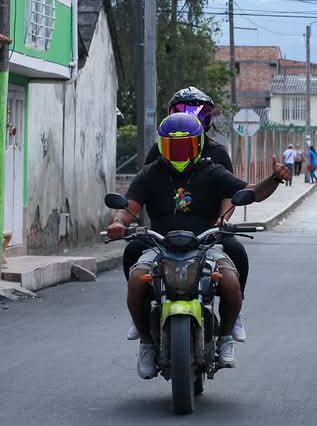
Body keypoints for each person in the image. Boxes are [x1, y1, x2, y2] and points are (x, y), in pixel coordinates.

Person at [107, 113, 292, 379]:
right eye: (172, 146)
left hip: (205, 245)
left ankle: (226, 337)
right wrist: (118, 223)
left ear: (197, 146)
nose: (179, 153)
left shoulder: (212, 171)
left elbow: (251, 191)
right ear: (162, 146)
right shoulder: (150, 173)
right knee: (137, 279)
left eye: (185, 147)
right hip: (160, 246)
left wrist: (273, 179)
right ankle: (146, 342)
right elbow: (129, 207)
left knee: (229, 280)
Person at [127, 86, 250, 340]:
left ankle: (235, 311)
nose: (191, 117)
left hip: (208, 231)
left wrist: (223, 220)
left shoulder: (217, 153)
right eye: (184, 111)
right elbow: (142, 187)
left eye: (198, 111)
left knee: (237, 251)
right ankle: (139, 311)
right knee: (131, 251)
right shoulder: (158, 153)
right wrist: (124, 221)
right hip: (163, 234)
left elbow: (230, 190)